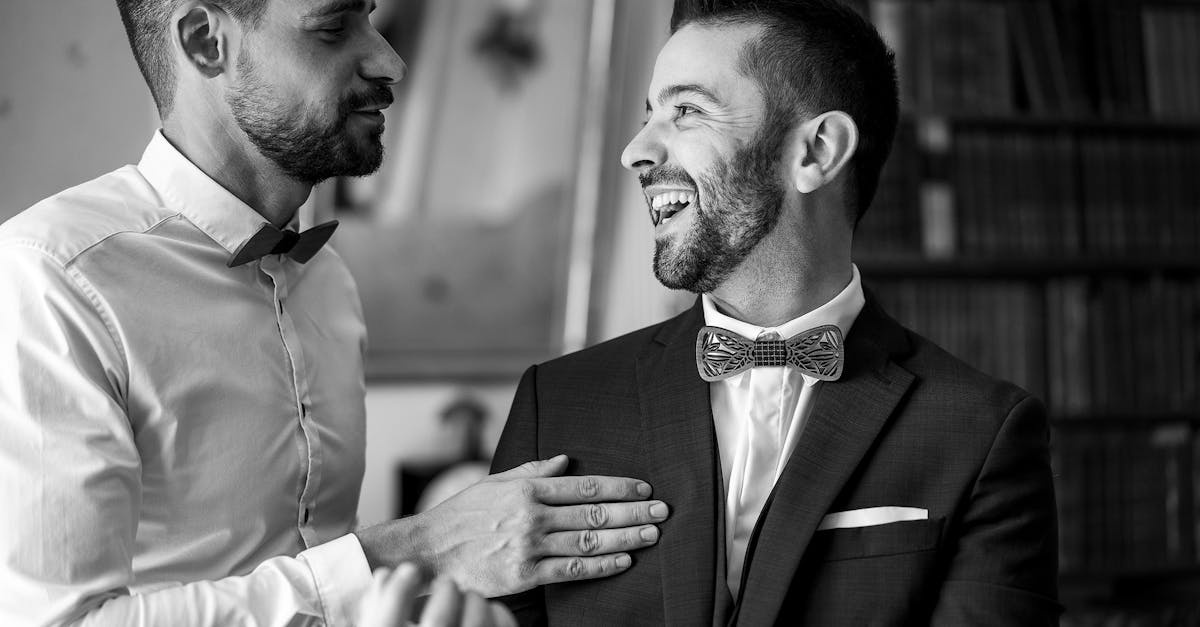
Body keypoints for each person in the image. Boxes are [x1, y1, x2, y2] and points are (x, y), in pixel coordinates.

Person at [0, 0, 669, 625]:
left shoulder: (329, 283)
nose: (389, 61)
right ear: (207, 43)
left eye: (369, 17)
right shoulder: (54, 278)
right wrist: (418, 547)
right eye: (331, 27)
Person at [490, 0, 1060, 624]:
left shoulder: (980, 430)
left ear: (817, 151)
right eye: (650, 113)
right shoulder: (559, 403)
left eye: (686, 111)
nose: (636, 151)